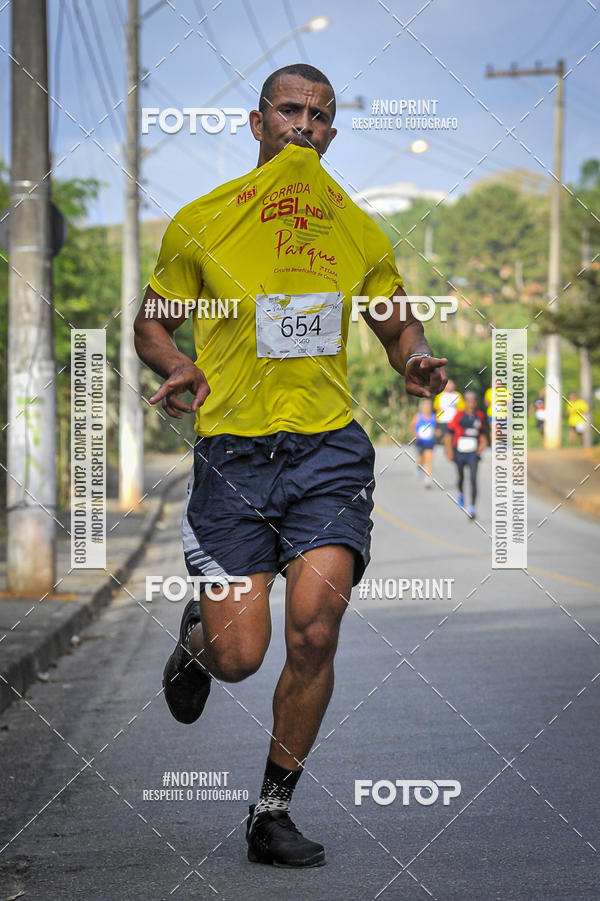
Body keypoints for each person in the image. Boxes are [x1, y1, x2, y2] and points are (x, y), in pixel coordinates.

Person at [134, 63, 448, 868]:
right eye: (289, 110)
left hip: (327, 453)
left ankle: (271, 811)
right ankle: (199, 638)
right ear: (257, 122)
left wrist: (414, 357)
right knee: (241, 654)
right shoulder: (201, 223)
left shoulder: (358, 230)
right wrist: (173, 362)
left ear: (331, 134)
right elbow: (151, 323)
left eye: (319, 115)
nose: (304, 124)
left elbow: (395, 325)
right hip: (235, 454)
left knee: (315, 627)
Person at [446, 390, 487, 519]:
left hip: (473, 453)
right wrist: (449, 451)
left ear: (475, 402)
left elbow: (484, 434)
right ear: (465, 402)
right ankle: (460, 493)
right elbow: (448, 433)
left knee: (473, 479)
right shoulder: (458, 416)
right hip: (459, 452)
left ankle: (472, 507)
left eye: (472, 401)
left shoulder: (480, 416)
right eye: (468, 401)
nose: (470, 404)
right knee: (461, 477)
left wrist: (482, 445)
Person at [410, 398, 437, 488]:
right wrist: (416, 435)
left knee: (428, 459)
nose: (427, 408)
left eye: (429, 406)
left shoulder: (434, 417)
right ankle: (419, 467)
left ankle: (428, 480)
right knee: (421, 459)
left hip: (430, 441)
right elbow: (411, 426)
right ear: (422, 407)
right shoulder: (418, 416)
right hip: (420, 441)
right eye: (426, 406)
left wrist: (437, 432)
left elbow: (436, 428)